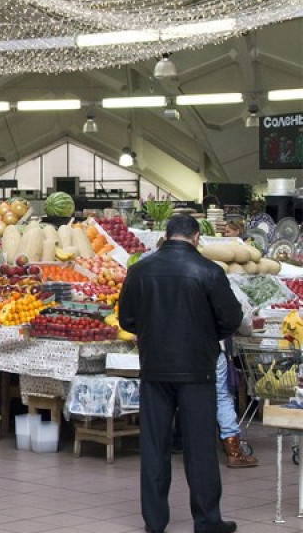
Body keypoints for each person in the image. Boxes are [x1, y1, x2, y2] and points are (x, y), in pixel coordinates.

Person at [118, 214, 243, 533]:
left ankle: (155, 521)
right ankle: (207, 521)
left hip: (154, 368)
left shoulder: (140, 270)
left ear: (166, 235)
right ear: (197, 237)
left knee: (154, 445)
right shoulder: (209, 271)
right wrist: (206, 332)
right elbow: (231, 319)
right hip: (196, 369)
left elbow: (126, 320)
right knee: (200, 447)